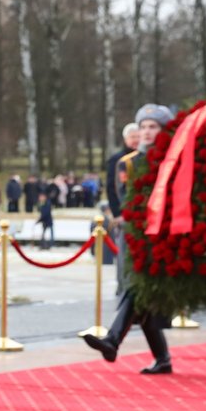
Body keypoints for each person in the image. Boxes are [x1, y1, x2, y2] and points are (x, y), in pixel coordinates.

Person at [85, 103, 171, 374]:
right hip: (138, 236)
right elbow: (127, 200)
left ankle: (113, 339)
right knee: (140, 292)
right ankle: (162, 358)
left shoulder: (174, 161)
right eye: (143, 127)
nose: (146, 132)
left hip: (164, 237)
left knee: (139, 290)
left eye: (153, 127)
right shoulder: (129, 162)